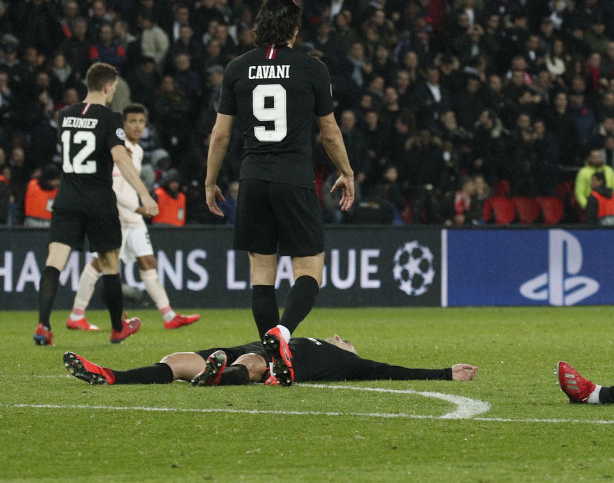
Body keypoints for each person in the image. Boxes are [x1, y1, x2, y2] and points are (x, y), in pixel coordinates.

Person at [204, 0, 355, 376]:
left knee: (261, 274)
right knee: (309, 270)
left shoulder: (237, 67)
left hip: (253, 179)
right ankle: (283, 334)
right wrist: (347, 172)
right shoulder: (312, 69)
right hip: (294, 178)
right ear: (294, 29)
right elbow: (330, 131)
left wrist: (210, 181)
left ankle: (274, 361)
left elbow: (221, 135)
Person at [34, 63, 159, 346]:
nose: (114, 90)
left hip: (66, 198)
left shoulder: (65, 115)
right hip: (98, 200)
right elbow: (121, 159)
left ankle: (43, 325)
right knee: (109, 263)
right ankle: (117, 328)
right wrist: (145, 194)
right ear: (106, 86)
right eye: (114, 86)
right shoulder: (110, 118)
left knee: (54, 262)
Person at [66, 104, 200, 332]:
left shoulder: (136, 150)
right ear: (123, 124)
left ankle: (169, 316)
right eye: (132, 121)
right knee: (100, 263)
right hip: (117, 215)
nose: (137, 126)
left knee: (148, 262)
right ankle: (76, 315)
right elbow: (112, 189)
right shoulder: (119, 150)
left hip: (133, 219)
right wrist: (138, 208)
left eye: (141, 121)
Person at [63, 335, 477, 386]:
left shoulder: (351, 363)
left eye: (345, 340)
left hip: (268, 361)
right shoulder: (305, 335)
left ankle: (216, 379)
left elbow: (392, 372)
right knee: (177, 357)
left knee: (254, 362)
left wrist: (444, 373)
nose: (340, 338)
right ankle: (111, 376)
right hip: (258, 345)